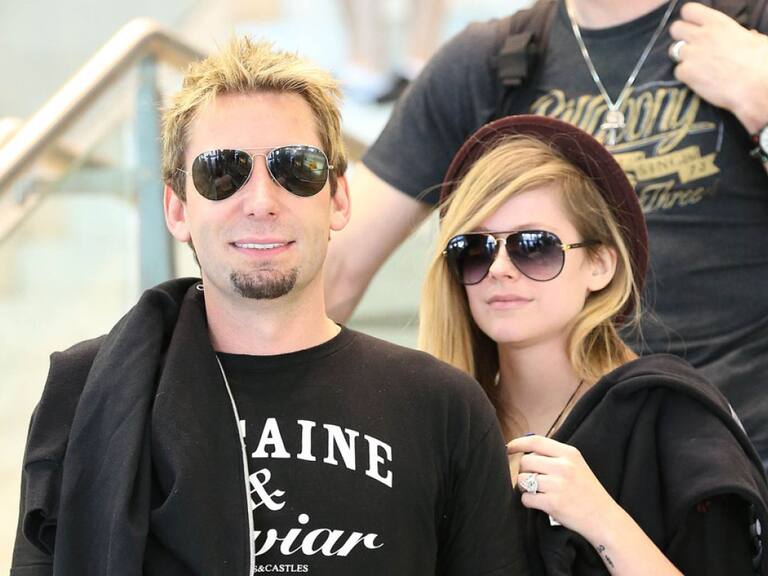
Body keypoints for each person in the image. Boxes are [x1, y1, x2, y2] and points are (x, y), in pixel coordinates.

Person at [10, 38, 526, 576]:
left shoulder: (442, 407)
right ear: (177, 208)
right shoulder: (87, 392)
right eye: (222, 172)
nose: (261, 202)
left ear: (338, 198)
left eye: (296, 168)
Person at [324, 0, 768, 466]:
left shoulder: (749, 29)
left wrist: (762, 102)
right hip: (545, 460)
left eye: (534, 248)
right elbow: (334, 269)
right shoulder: (490, 62)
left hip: (746, 453)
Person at [420, 113, 768, 575]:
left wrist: (599, 517)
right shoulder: (441, 428)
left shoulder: (667, 413)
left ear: (601, 264)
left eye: (533, 246)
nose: (500, 269)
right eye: (475, 248)